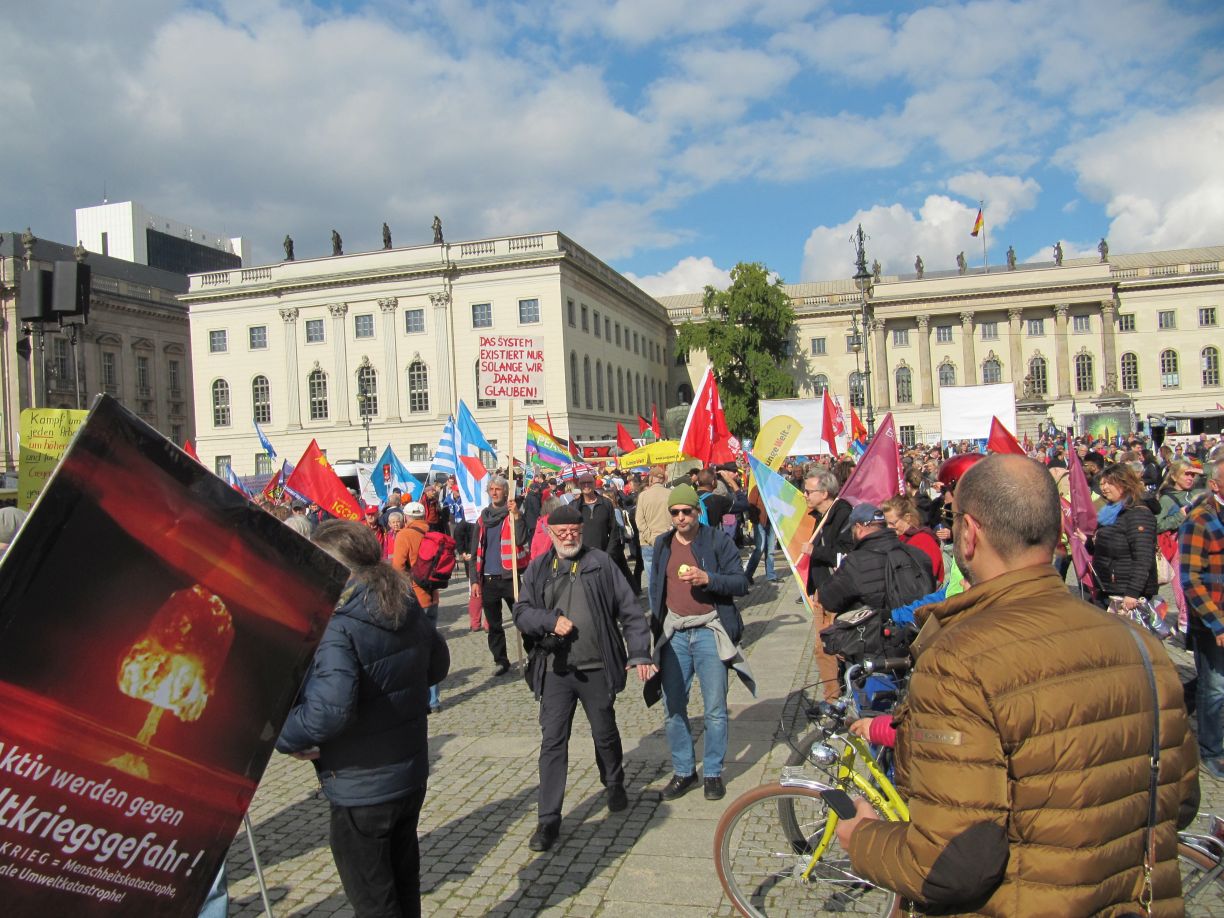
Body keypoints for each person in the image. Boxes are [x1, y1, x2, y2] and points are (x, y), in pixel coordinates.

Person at [836, 455, 1199, 915]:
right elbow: (1181, 801)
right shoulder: (1142, 645)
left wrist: (863, 839)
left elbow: (951, 866)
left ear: (969, 533)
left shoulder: (957, 662)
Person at [276, 520, 450, 918]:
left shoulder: (338, 624)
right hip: (407, 774)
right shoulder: (400, 599)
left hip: (363, 786)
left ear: (336, 568)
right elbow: (437, 664)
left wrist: (282, 733)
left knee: (375, 901)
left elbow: (328, 711)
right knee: (404, 887)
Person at [513, 504, 654, 852]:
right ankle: (548, 820)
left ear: (581, 530)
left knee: (605, 733)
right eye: (561, 532)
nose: (569, 537)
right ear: (549, 534)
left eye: (574, 531)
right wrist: (548, 621)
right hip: (556, 671)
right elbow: (521, 612)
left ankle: (614, 780)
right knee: (552, 743)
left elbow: (631, 611)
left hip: (596, 667)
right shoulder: (538, 568)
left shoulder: (601, 564)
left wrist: (638, 653)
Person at [647, 484, 750, 802]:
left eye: (686, 511)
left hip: (709, 631)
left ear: (697, 512)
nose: (680, 517)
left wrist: (709, 579)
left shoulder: (716, 540)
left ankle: (714, 773)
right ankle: (683, 770)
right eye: (675, 512)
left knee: (716, 709)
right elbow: (655, 589)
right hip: (675, 633)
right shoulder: (663, 543)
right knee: (673, 706)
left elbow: (742, 582)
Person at [1180, 459, 1224, 780]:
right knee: (1216, 688)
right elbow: (1190, 579)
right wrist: (1217, 623)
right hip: (1212, 621)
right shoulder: (1200, 520)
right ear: (1216, 485)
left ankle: (1180, 702)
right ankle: (1212, 750)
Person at [814, 503, 934, 615]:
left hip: (875, 633)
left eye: (852, 530)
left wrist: (840, 573)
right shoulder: (916, 553)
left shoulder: (856, 562)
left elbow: (828, 600)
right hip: (917, 627)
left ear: (859, 528)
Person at [471, 476, 528, 675]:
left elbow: (521, 539)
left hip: (509, 577)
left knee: (523, 618)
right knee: (494, 625)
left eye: (498, 489)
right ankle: (501, 660)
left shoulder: (512, 515)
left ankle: (533, 653)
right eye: (491, 489)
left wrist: (517, 516)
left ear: (506, 492)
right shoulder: (483, 518)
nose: (494, 492)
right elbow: (475, 552)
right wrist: (474, 581)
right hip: (488, 579)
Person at [1083, 462, 1158, 609]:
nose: (1103, 488)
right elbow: (1100, 547)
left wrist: (1132, 593)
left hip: (1126, 591)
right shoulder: (1108, 511)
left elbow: (1143, 558)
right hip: (1107, 586)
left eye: (1109, 483)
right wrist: (1088, 541)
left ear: (1124, 484)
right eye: (1102, 484)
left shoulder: (1138, 513)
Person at [394, 502, 444, 713]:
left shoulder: (404, 535)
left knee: (415, 651)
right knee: (430, 648)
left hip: (415, 597)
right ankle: (434, 700)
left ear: (406, 517)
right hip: (433, 596)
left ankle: (421, 701)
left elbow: (397, 567)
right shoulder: (433, 532)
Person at [880, 495, 944, 585]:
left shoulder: (923, 540)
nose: (889, 527)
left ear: (907, 518)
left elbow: (929, 576)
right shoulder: (898, 541)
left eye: (892, 523)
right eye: (886, 524)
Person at [634, 467, 672, 588]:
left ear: (651, 479)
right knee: (668, 579)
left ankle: (656, 607)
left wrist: (650, 538)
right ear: (663, 479)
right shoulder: (671, 494)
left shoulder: (643, 496)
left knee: (652, 582)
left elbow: (639, 521)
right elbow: (675, 519)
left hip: (647, 542)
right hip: (667, 540)